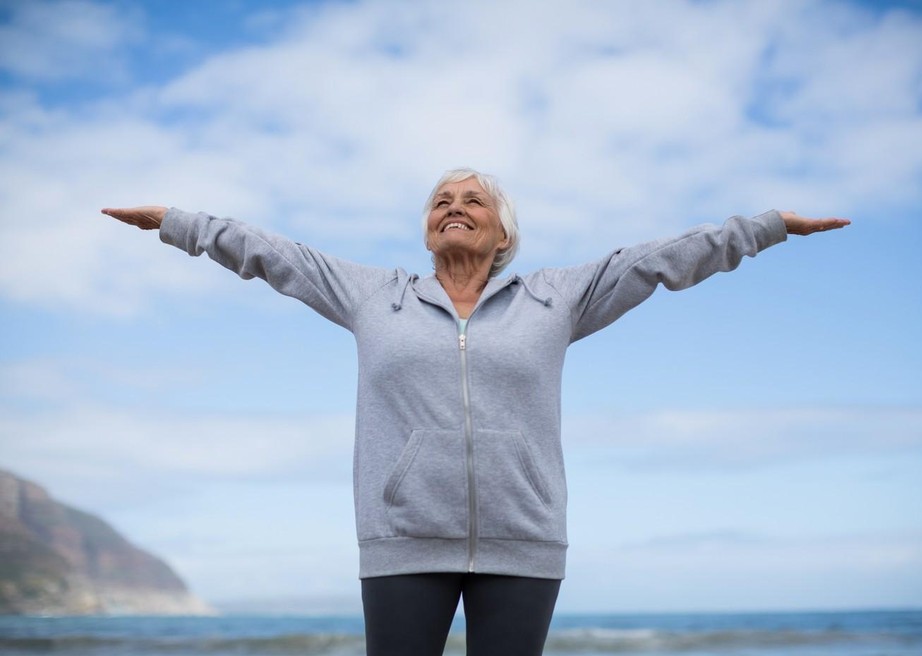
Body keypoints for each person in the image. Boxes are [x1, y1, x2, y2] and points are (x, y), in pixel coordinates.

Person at [102, 168, 849, 655]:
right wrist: (179, 222)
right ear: (428, 229)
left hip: (523, 541)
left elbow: (658, 259)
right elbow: (271, 253)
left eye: (473, 199)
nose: (454, 206)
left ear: (504, 235)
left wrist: (765, 227)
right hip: (402, 540)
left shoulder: (558, 297)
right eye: (440, 200)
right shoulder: (373, 296)